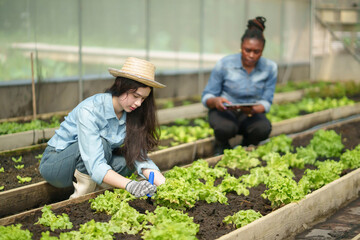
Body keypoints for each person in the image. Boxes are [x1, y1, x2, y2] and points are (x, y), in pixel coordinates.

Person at [39, 57, 167, 199]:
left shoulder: (132, 114)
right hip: (56, 165)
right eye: (136, 96)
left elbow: (140, 158)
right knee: (103, 144)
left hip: (88, 164)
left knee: (128, 160)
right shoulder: (90, 110)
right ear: (121, 86)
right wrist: (130, 185)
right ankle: (80, 199)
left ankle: (98, 189)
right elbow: (95, 163)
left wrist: (165, 186)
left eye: (143, 99)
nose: (138, 103)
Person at [201, 16, 278, 155]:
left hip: (249, 114)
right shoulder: (225, 64)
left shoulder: (270, 68)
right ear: (241, 47)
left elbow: (267, 101)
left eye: (257, 52)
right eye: (247, 50)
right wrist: (216, 101)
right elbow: (207, 96)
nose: (251, 55)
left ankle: (246, 146)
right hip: (225, 112)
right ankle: (221, 144)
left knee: (263, 128)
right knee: (225, 128)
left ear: (262, 50)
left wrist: (254, 109)